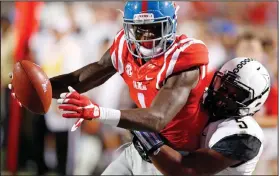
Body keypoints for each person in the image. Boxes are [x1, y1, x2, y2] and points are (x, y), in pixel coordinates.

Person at [9, 1, 209, 175]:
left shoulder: (184, 57)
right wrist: (38, 88)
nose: (147, 36)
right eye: (140, 29)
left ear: (171, 25)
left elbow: (157, 118)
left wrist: (98, 112)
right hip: (145, 144)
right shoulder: (124, 46)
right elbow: (81, 79)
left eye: (155, 27)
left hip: (179, 155)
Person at [133, 57, 270, 175]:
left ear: (255, 101)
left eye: (235, 94)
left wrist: (146, 138)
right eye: (222, 85)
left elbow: (186, 170)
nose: (222, 95)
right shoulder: (201, 100)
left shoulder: (245, 135)